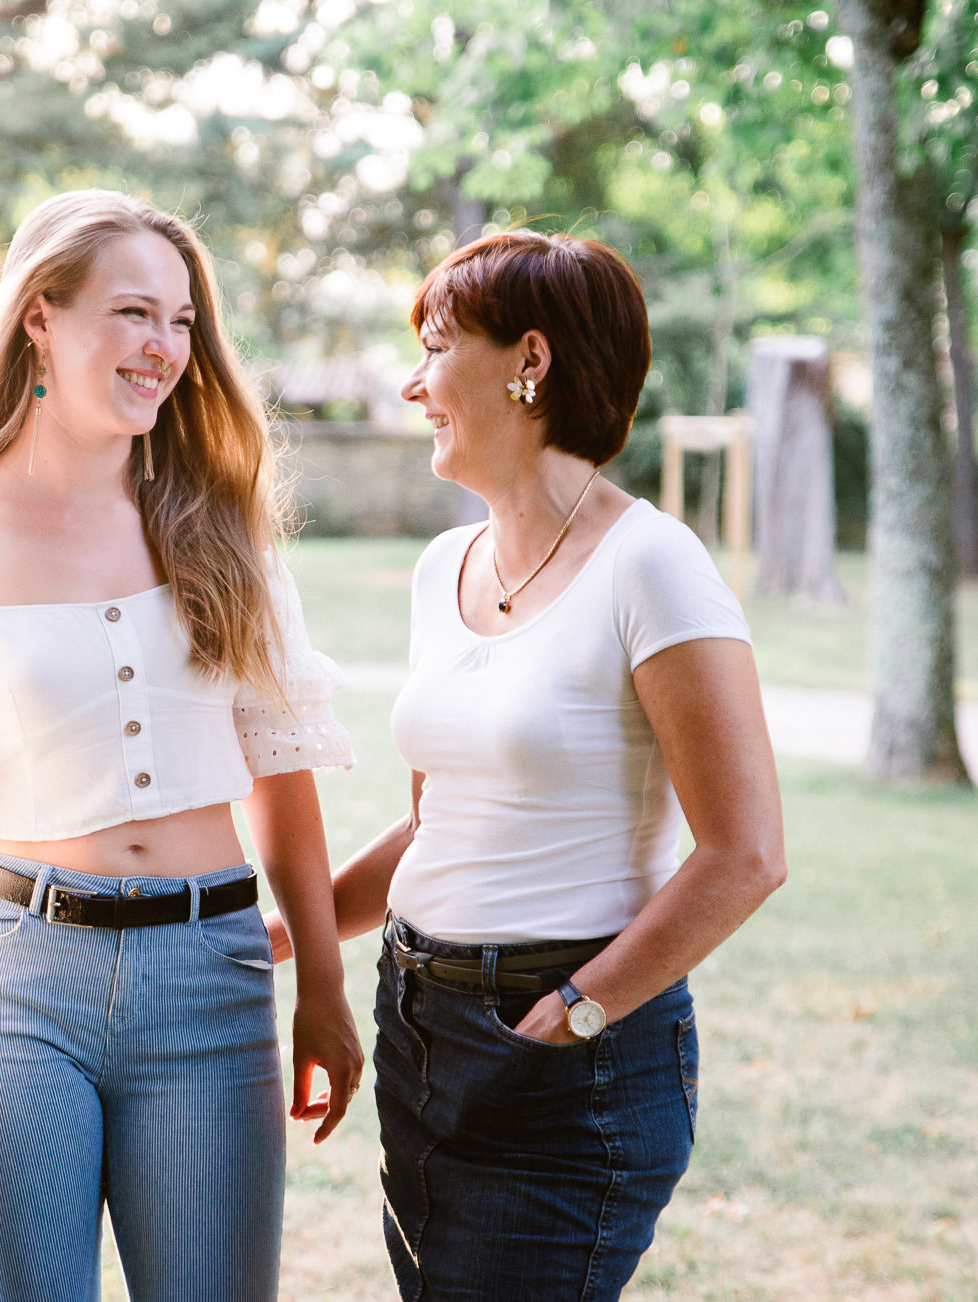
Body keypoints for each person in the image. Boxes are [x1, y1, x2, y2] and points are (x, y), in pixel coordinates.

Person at [0, 189, 365, 1301]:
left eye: (183, 323)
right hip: (8, 984)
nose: (165, 348)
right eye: (134, 313)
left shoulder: (219, 520)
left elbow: (280, 767)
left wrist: (321, 979)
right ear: (41, 316)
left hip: (210, 976)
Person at [269, 229, 788, 1300]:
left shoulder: (652, 565)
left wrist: (576, 1012)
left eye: (434, 344)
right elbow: (441, 820)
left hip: (565, 1059)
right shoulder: (441, 567)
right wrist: (294, 929)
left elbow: (744, 853)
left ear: (530, 363)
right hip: (417, 1026)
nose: (412, 383)